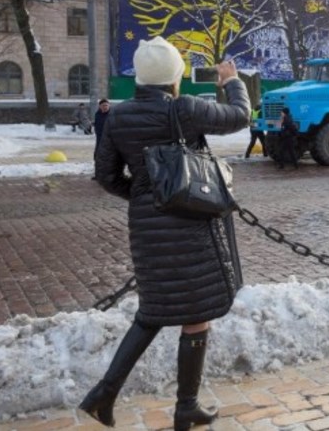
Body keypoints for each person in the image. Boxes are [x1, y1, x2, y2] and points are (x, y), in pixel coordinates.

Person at [80, 36, 250, 430]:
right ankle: (185, 406)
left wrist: (144, 195)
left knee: (152, 312)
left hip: (147, 228)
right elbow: (240, 115)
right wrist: (232, 80)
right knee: (196, 313)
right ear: (174, 76)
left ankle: (104, 394)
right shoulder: (185, 109)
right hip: (190, 225)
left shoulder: (119, 117)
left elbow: (105, 175)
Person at [92, 99, 111, 180]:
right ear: (100, 106)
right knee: (97, 157)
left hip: (109, 140)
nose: (105, 107)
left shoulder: (111, 115)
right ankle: (98, 175)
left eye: (106, 105)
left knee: (109, 158)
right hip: (99, 139)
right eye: (103, 106)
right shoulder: (97, 114)